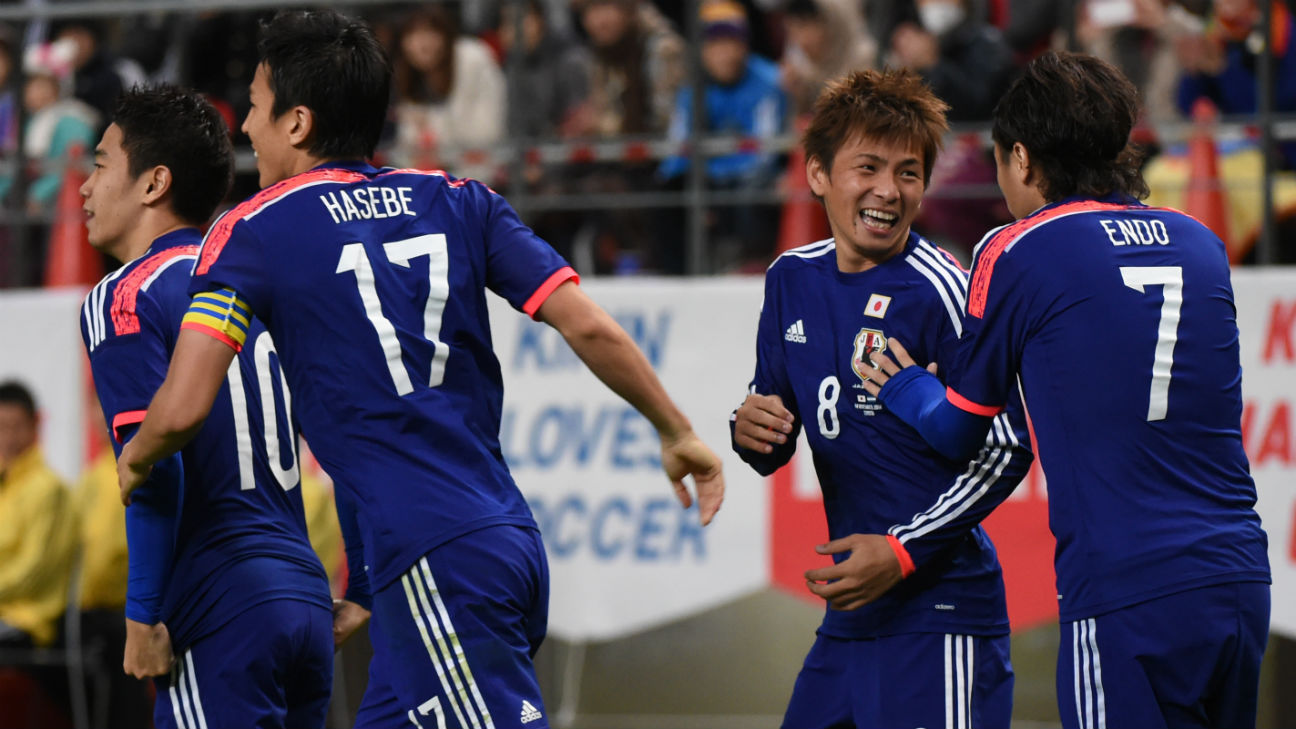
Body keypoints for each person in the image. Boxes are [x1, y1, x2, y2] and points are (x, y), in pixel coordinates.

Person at [114, 10, 725, 729]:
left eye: (253, 107)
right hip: (498, 540)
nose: (246, 128)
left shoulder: (251, 229)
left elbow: (184, 407)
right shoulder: (460, 199)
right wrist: (674, 427)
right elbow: (586, 321)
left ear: (298, 122)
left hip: (435, 554)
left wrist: (140, 457)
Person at [858, 51, 1271, 729]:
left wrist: (902, 385)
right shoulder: (1201, 243)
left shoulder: (1018, 246)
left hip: (1126, 591)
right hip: (1236, 579)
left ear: (1021, 158)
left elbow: (959, 429)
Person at [731, 67, 1032, 729]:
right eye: (867, 167)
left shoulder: (944, 288)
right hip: (850, 619)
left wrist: (902, 549)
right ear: (818, 175)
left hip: (942, 614)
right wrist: (749, 428)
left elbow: (1010, 441)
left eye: (908, 173)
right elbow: (771, 424)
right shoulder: (790, 279)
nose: (888, 191)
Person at [79, 84, 334, 728]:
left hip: (219, 605)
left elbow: (154, 467)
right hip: (304, 598)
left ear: (153, 183)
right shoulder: (256, 282)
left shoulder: (126, 297)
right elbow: (346, 434)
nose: (84, 187)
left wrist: (142, 615)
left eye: (102, 164)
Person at [0, 380, 78, 650]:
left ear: (35, 425)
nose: (7, 437)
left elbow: (33, 570)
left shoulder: (48, 489)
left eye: (15, 426)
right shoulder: (6, 486)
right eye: (1, 427)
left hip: (29, 622)